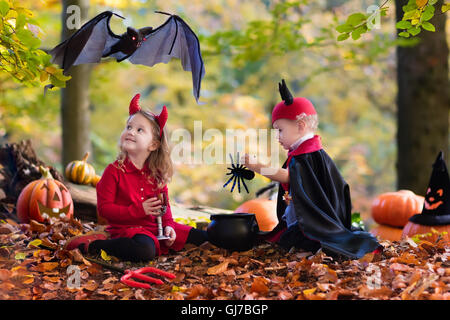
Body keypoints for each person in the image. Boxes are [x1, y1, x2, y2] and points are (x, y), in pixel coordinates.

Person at [243, 80, 381, 259]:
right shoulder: (303, 153)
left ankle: (310, 250)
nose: (277, 137)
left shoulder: (309, 155)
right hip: (301, 218)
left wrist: (257, 166)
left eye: (280, 130)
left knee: (297, 239)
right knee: (286, 238)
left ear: (300, 126)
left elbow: (288, 177)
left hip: (314, 225)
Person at [65, 93, 208, 261]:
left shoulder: (156, 174)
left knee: (202, 236)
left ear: (153, 144)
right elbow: (105, 210)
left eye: (139, 130)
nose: (131, 132)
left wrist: (169, 227)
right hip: (128, 229)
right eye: (129, 127)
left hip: (156, 228)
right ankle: (93, 245)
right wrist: (139, 210)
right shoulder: (114, 171)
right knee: (144, 251)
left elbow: (165, 209)